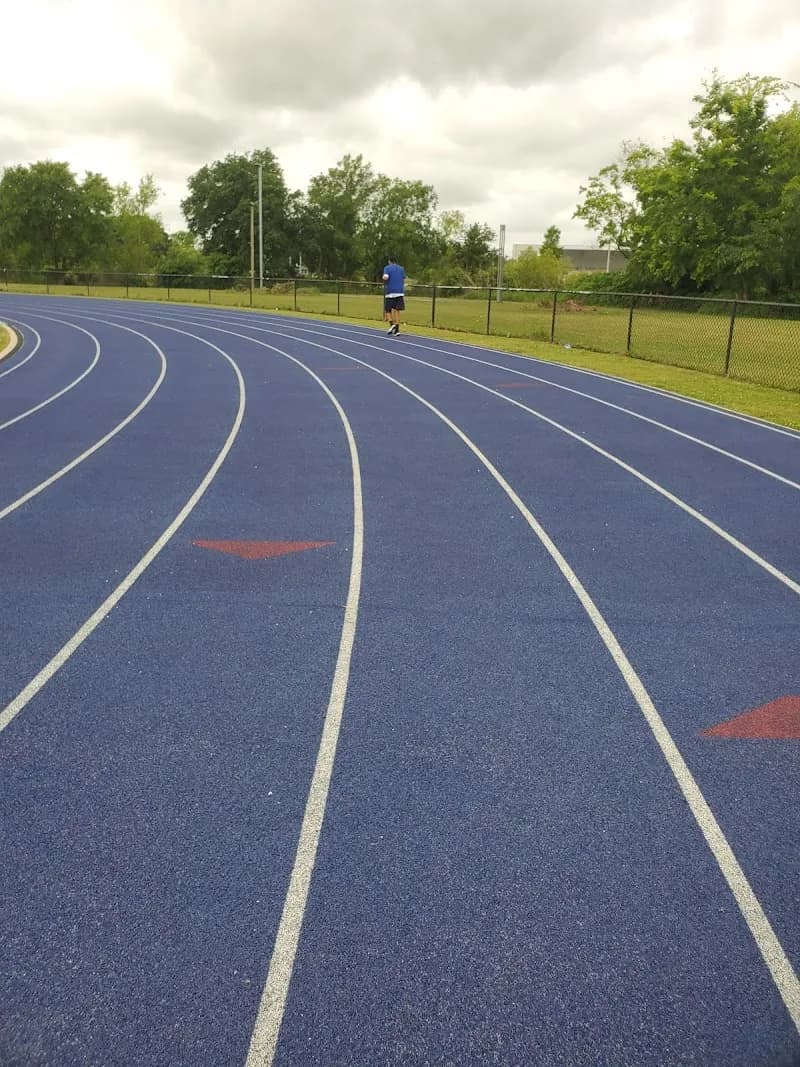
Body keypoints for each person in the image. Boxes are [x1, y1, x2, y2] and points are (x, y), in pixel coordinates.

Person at [382, 256, 406, 335]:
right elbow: (403, 279)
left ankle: (392, 325)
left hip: (390, 292)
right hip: (400, 292)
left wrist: (383, 278)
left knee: (387, 310)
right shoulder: (401, 268)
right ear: (396, 261)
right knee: (397, 310)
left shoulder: (387, 268)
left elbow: (386, 277)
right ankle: (397, 330)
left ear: (389, 261)